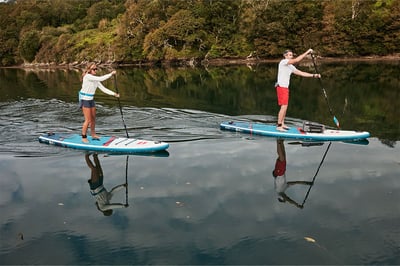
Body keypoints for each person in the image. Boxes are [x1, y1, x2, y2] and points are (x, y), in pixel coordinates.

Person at [275, 49, 321, 132]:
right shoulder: (283, 62)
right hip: (281, 87)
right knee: (283, 106)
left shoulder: (290, 66)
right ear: (285, 56)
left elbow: (301, 73)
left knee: (285, 106)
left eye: (291, 55)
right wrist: (307, 52)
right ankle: (279, 126)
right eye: (289, 55)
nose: (291, 56)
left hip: (285, 88)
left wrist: (314, 75)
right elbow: (296, 60)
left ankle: (282, 123)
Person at [79, 63, 119, 143]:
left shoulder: (94, 79)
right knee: (88, 120)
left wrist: (114, 94)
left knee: (93, 119)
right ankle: (83, 137)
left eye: (96, 69)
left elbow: (103, 89)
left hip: (91, 100)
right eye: (94, 69)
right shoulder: (87, 76)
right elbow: (101, 78)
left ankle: (93, 134)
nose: (95, 70)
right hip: (85, 100)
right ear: (89, 70)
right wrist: (111, 74)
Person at [272, 139, 313, 209]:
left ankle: (278, 141)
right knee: (283, 156)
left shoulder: (280, 192)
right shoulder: (284, 187)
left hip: (279, 173)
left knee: (281, 158)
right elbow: (295, 182)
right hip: (281, 172)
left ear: (282, 198)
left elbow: (288, 199)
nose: (285, 199)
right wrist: (306, 183)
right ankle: (281, 142)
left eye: (284, 199)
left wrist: (297, 205)